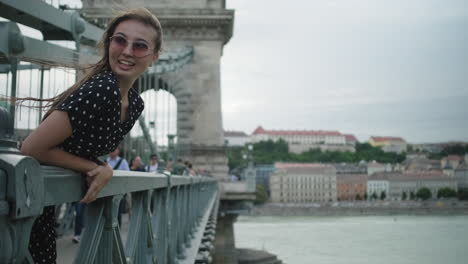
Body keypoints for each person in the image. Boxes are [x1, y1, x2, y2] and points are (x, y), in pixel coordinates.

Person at [19, 8, 162, 263]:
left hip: (39, 199)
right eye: (119, 40)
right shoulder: (103, 88)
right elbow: (31, 148)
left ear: (154, 57)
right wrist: (97, 167)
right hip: (23, 198)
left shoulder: (134, 104)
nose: (127, 51)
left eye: (140, 46)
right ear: (108, 44)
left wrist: (98, 166)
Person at [106, 146, 130, 226]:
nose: (112, 150)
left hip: (118, 192)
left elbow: (127, 176)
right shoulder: (105, 161)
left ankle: (116, 232)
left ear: (118, 151)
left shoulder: (123, 162)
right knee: (106, 212)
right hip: (106, 191)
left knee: (117, 213)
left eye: (114, 148)